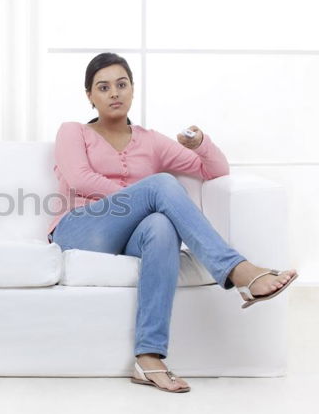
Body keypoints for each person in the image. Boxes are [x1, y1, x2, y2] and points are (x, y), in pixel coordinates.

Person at [49, 52, 297, 393]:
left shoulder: (151, 141)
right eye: (103, 87)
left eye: (121, 85)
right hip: (80, 229)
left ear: (133, 89)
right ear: (89, 96)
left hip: (127, 238)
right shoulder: (72, 131)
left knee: (161, 228)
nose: (114, 93)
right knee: (161, 185)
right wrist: (145, 191)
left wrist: (201, 144)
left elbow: (215, 171)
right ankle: (237, 270)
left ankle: (148, 357)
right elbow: (80, 179)